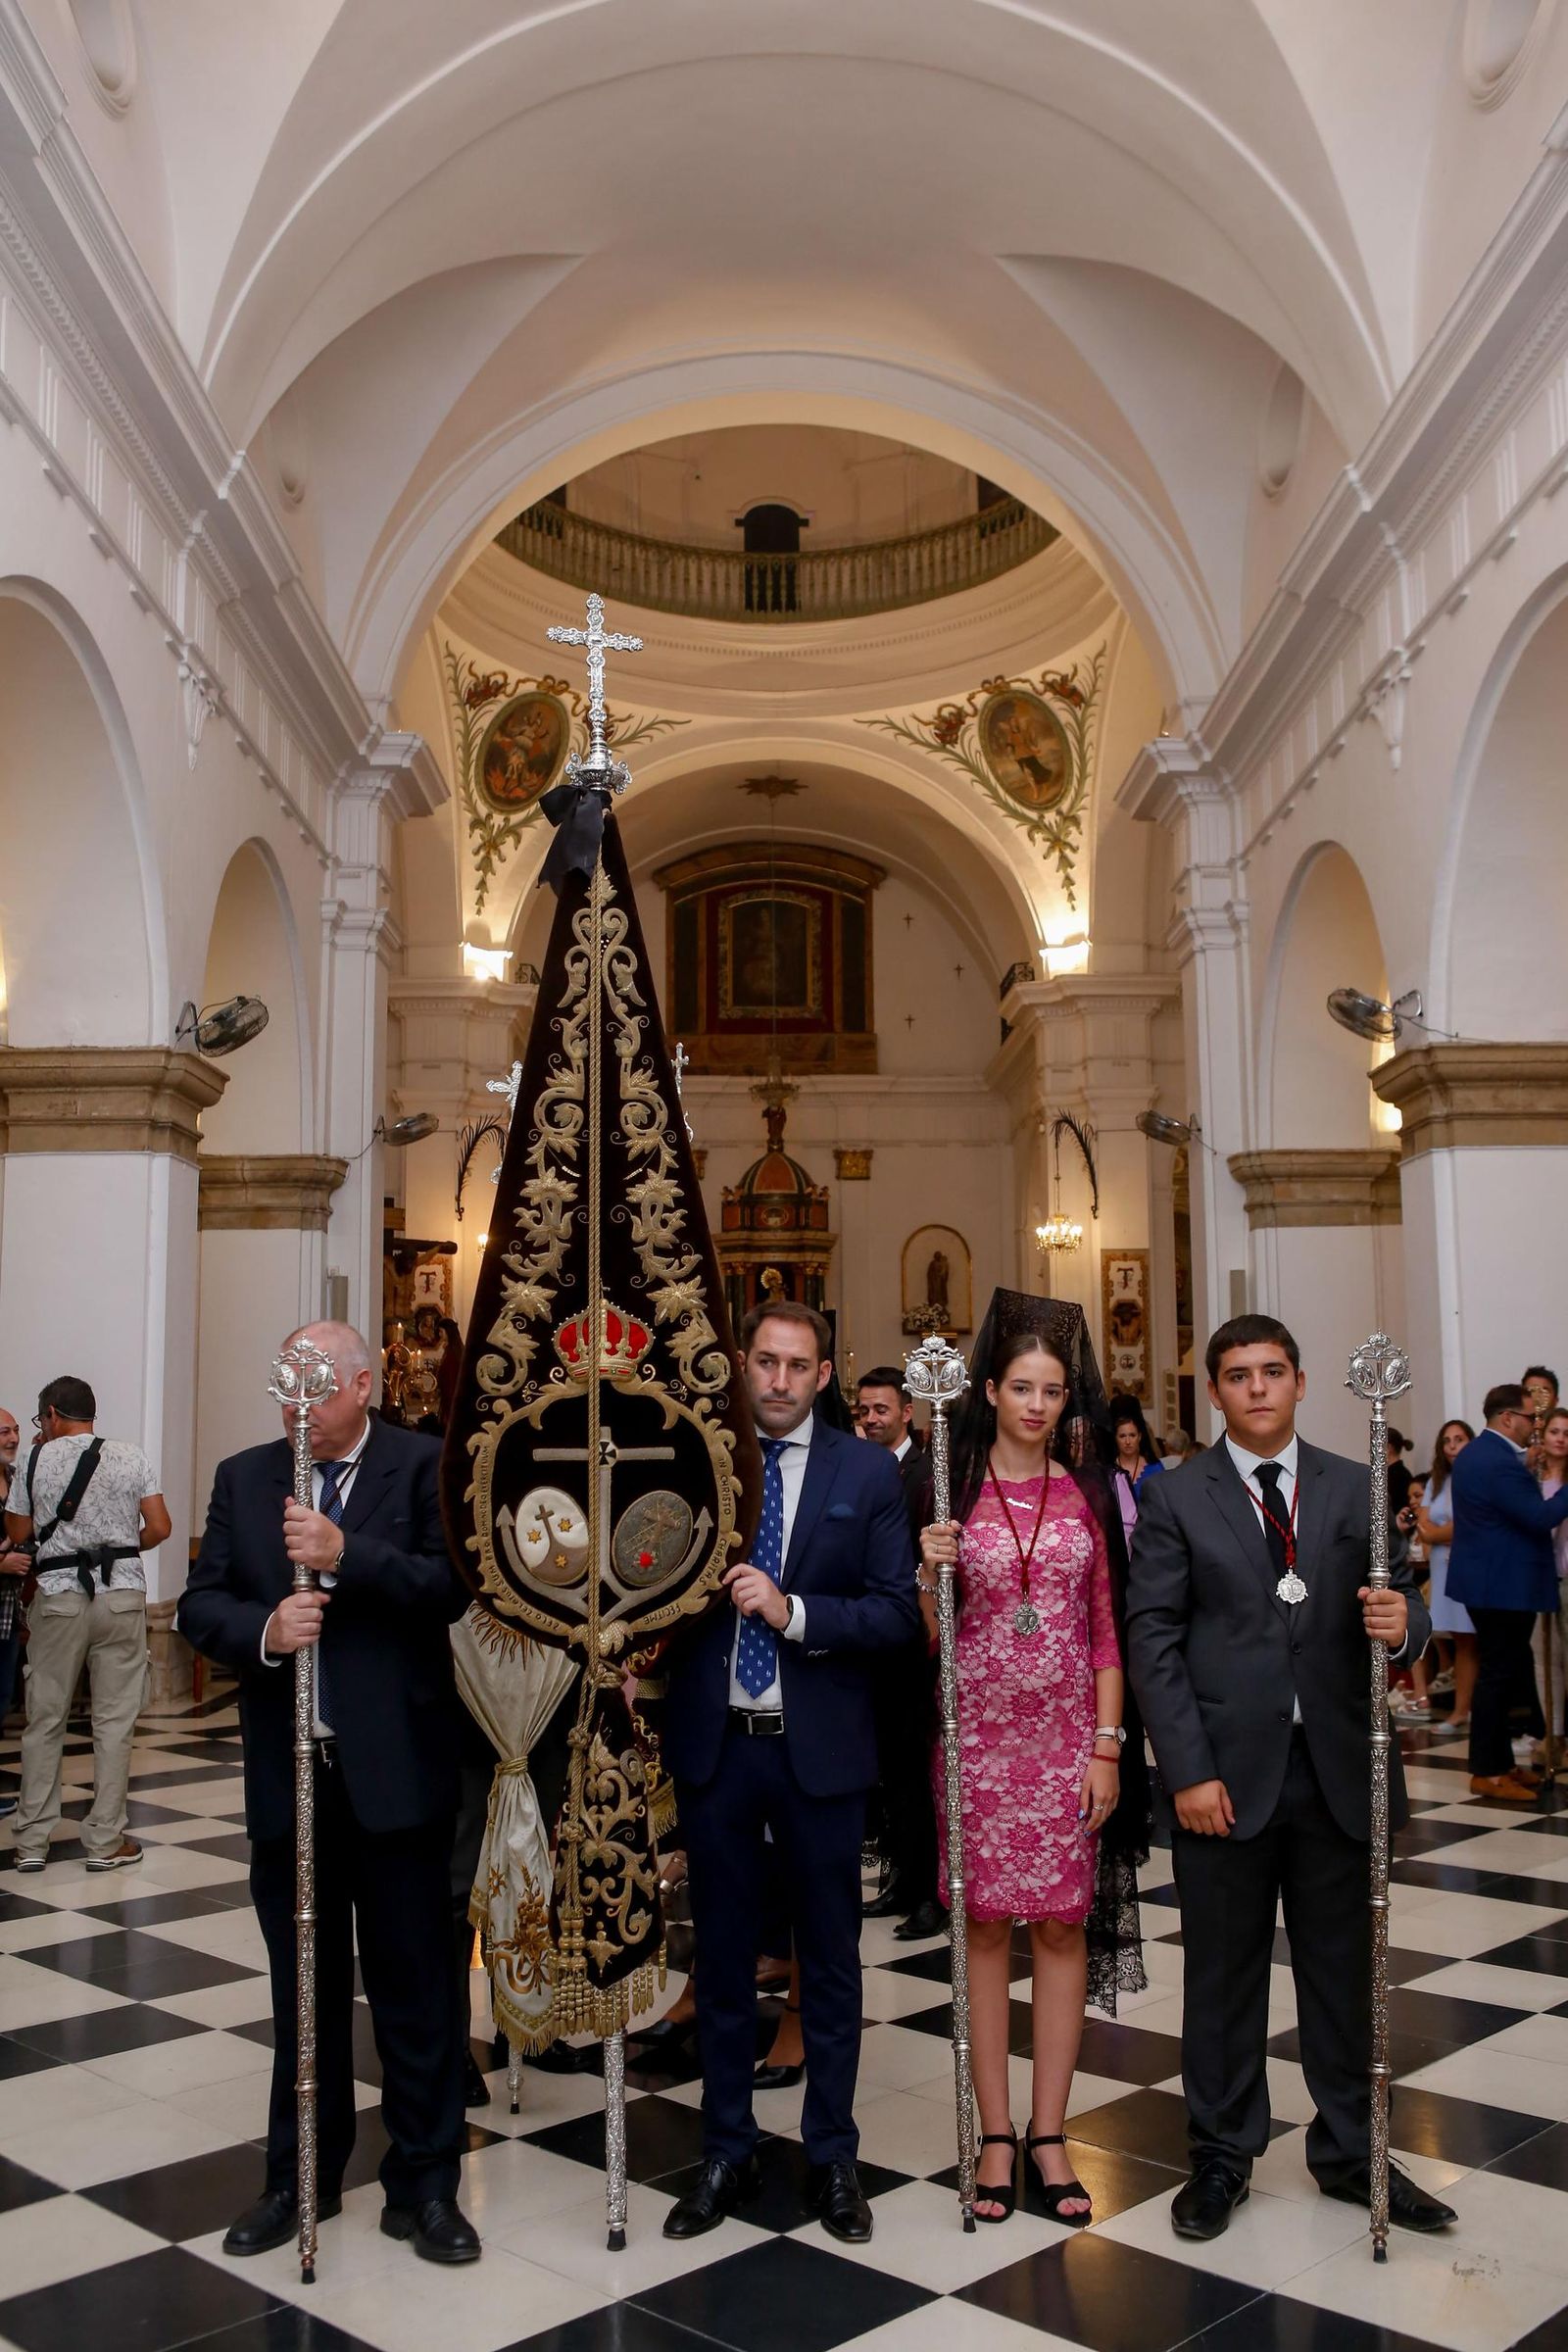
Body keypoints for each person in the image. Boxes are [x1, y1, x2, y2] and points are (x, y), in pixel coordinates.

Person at [1126, 1314, 1450, 2242]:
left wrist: (1408, 1626)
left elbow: (1406, 1605)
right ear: (1216, 1393)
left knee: (1343, 1976)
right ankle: (1223, 2155)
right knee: (1224, 1979)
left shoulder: (1352, 1488)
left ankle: (1353, 2150)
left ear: (1301, 1384)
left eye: (1273, 1372)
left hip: (1339, 1770)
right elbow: (1152, 1639)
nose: (1257, 1389)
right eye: (1237, 1376)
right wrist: (1183, 1768)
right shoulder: (1178, 1497)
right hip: (1222, 1780)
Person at [179, 1322, 479, 2268]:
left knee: (415, 1991)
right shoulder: (245, 1475)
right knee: (302, 1993)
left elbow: (452, 1589)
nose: (296, 1401)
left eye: (316, 1382)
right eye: (286, 1381)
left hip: (397, 1779)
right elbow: (200, 1604)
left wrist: (348, 1551)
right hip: (291, 1780)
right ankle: (299, 2175)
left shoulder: (425, 1464)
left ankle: (427, 2185)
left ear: (364, 1384)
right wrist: (266, 1628)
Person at [659, 1301, 919, 2244]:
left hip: (821, 1752)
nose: (776, 1380)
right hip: (717, 1747)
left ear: (822, 1375)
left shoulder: (864, 1471)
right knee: (722, 1961)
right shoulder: (699, 1460)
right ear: (742, 1366)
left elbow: (895, 1616)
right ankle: (725, 2148)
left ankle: (833, 2155)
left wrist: (795, 1611)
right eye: (763, 1362)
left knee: (832, 1963)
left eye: (796, 1366)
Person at [916, 1294, 1149, 2226]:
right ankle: (996, 2133)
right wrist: (927, 1574)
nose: (1038, 1404)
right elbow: (934, 1641)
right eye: (1022, 1387)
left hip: (1065, 1752)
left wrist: (1106, 1749)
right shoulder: (952, 1496)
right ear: (990, 1389)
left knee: (1059, 1931)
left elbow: (1105, 1634)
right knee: (981, 1931)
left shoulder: (1087, 1497)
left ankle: (1051, 2132)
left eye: (1053, 1391)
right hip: (974, 1747)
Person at [5, 1377, 170, 1871]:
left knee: (45, 1720)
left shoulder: (35, 1460)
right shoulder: (130, 1455)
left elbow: (18, 1532)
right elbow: (160, 1526)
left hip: (58, 1597)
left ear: (52, 1414)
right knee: (115, 1723)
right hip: (120, 1595)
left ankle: (32, 1842)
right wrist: (118, 1551)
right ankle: (104, 1841)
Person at [1447, 1382, 1568, 1801]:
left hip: (1494, 1583)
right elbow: (1539, 1517)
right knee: (1497, 1676)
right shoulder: (1495, 1461)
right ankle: (1487, 1770)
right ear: (1507, 1418)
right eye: (1530, 1418)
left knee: (1504, 1671)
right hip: (1501, 1585)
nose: (1535, 1425)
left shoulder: (1485, 1455)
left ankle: (1502, 1763)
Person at [858, 1366, 943, 1944]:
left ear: (906, 1412)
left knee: (919, 1773)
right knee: (888, 1772)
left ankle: (930, 1893)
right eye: (864, 1410)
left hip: (919, 1640)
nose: (870, 1419)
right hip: (871, 1641)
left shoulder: (927, 1471)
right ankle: (898, 1878)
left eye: (881, 1410)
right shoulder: (859, 1468)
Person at [1417, 1421, 1477, 1734]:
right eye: (1447, 1441)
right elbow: (1423, 1528)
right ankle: (1461, 1709)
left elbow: (1468, 1524)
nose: (1452, 1446)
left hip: (1468, 1564)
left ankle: (1464, 1710)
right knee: (1454, 1637)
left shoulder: (1476, 1476)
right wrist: (1446, 1534)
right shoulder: (1437, 1482)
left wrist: (1445, 1533)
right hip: (1442, 1566)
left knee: (1470, 1640)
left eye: (1459, 1439)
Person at [0, 1407, 25, 1814]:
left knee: (1, 1697)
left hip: (8, 1611)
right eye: (5, 1431)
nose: (14, 1437)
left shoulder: (15, 1479)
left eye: (16, 1430)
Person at [1539, 1407, 1568, 1745]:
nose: (1559, 1439)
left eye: (1565, 1433)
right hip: (1543, 1576)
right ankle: (1553, 1732)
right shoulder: (1531, 1478)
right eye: (1554, 1431)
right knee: (1545, 1660)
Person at [1109, 1394, 1163, 1551]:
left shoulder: (1154, 1468)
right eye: (1122, 1436)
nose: (1127, 1441)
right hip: (1115, 1545)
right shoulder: (1107, 1471)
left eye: (1132, 1435)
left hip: (1149, 1543)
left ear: (1139, 1436)